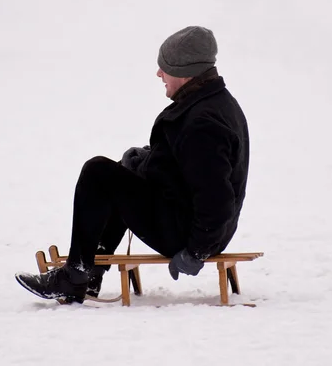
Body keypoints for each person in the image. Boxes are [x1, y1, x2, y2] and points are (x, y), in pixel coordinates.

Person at [15, 26, 249, 304]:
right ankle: (90, 274)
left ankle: (76, 274)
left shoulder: (203, 122)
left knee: (98, 171)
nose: (159, 74)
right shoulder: (210, 103)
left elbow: (215, 197)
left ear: (187, 72)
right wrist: (144, 161)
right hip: (191, 224)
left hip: (192, 235)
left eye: (165, 68)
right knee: (117, 176)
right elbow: (184, 166)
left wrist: (196, 251)